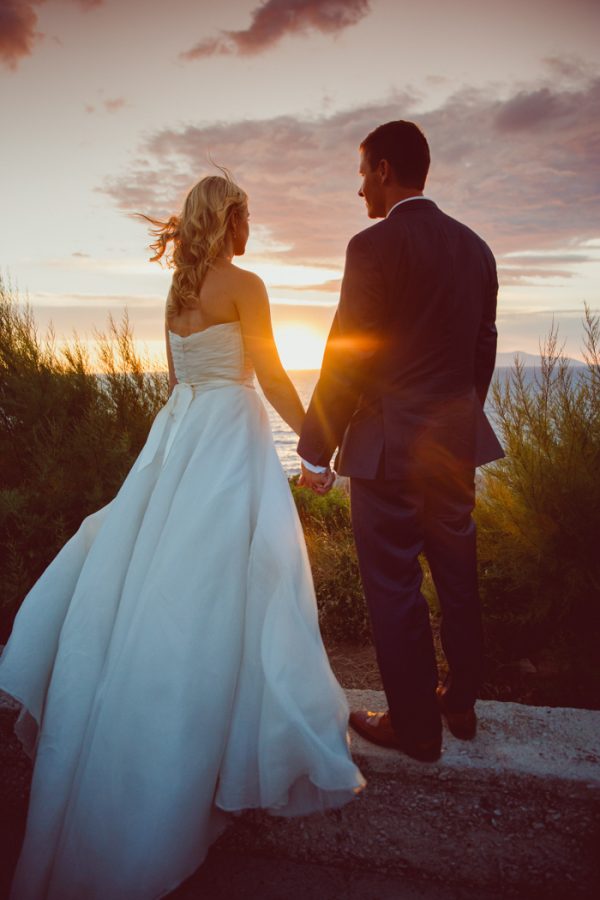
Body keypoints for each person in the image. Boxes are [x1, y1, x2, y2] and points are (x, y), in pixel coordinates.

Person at [0, 174, 364, 899]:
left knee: (164, 581)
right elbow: (269, 373)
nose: (247, 226)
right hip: (230, 439)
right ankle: (213, 739)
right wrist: (318, 448)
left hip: (178, 439)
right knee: (233, 580)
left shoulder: (177, 294)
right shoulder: (246, 284)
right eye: (244, 215)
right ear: (231, 218)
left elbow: (176, 380)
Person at [298, 120, 503, 763]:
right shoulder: (477, 249)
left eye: (363, 172)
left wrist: (315, 448)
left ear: (385, 170)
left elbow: (347, 354)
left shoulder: (371, 248)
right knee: (457, 567)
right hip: (451, 442)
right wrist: (457, 415)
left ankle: (416, 727)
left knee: (392, 584)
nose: (360, 188)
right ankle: (461, 700)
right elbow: (483, 348)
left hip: (387, 450)